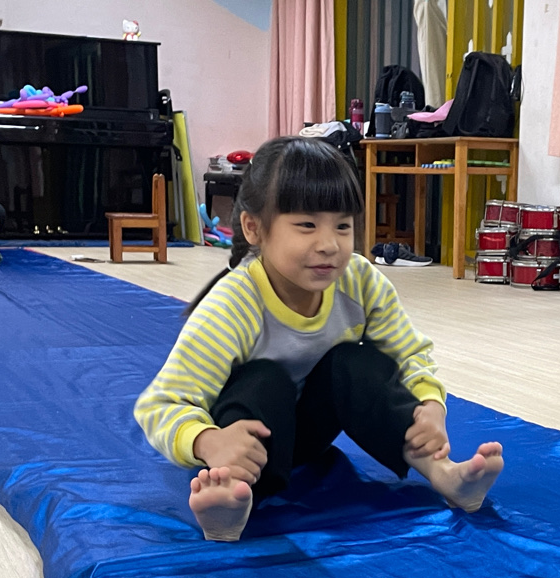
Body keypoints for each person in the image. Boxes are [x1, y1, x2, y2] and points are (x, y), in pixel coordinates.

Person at [134, 136, 504, 541]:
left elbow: (410, 354)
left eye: (342, 226)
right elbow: (160, 405)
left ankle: (443, 474)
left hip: (309, 434)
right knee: (264, 378)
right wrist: (209, 442)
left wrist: (430, 408)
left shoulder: (359, 282)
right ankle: (232, 499)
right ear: (254, 228)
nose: (329, 245)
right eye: (307, 225)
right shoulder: (233, 304)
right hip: (247, 446)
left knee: (357, 362)